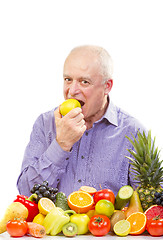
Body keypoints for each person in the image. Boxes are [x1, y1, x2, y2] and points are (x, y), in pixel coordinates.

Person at [17, 45, 146, 197]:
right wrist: (61, 144)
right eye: (68, 80)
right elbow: (26, 192)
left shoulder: (133, 132)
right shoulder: (45, 124)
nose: (72, 91)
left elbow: (149, 204)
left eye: (84, 82)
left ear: (107, 86)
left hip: (103, 222)